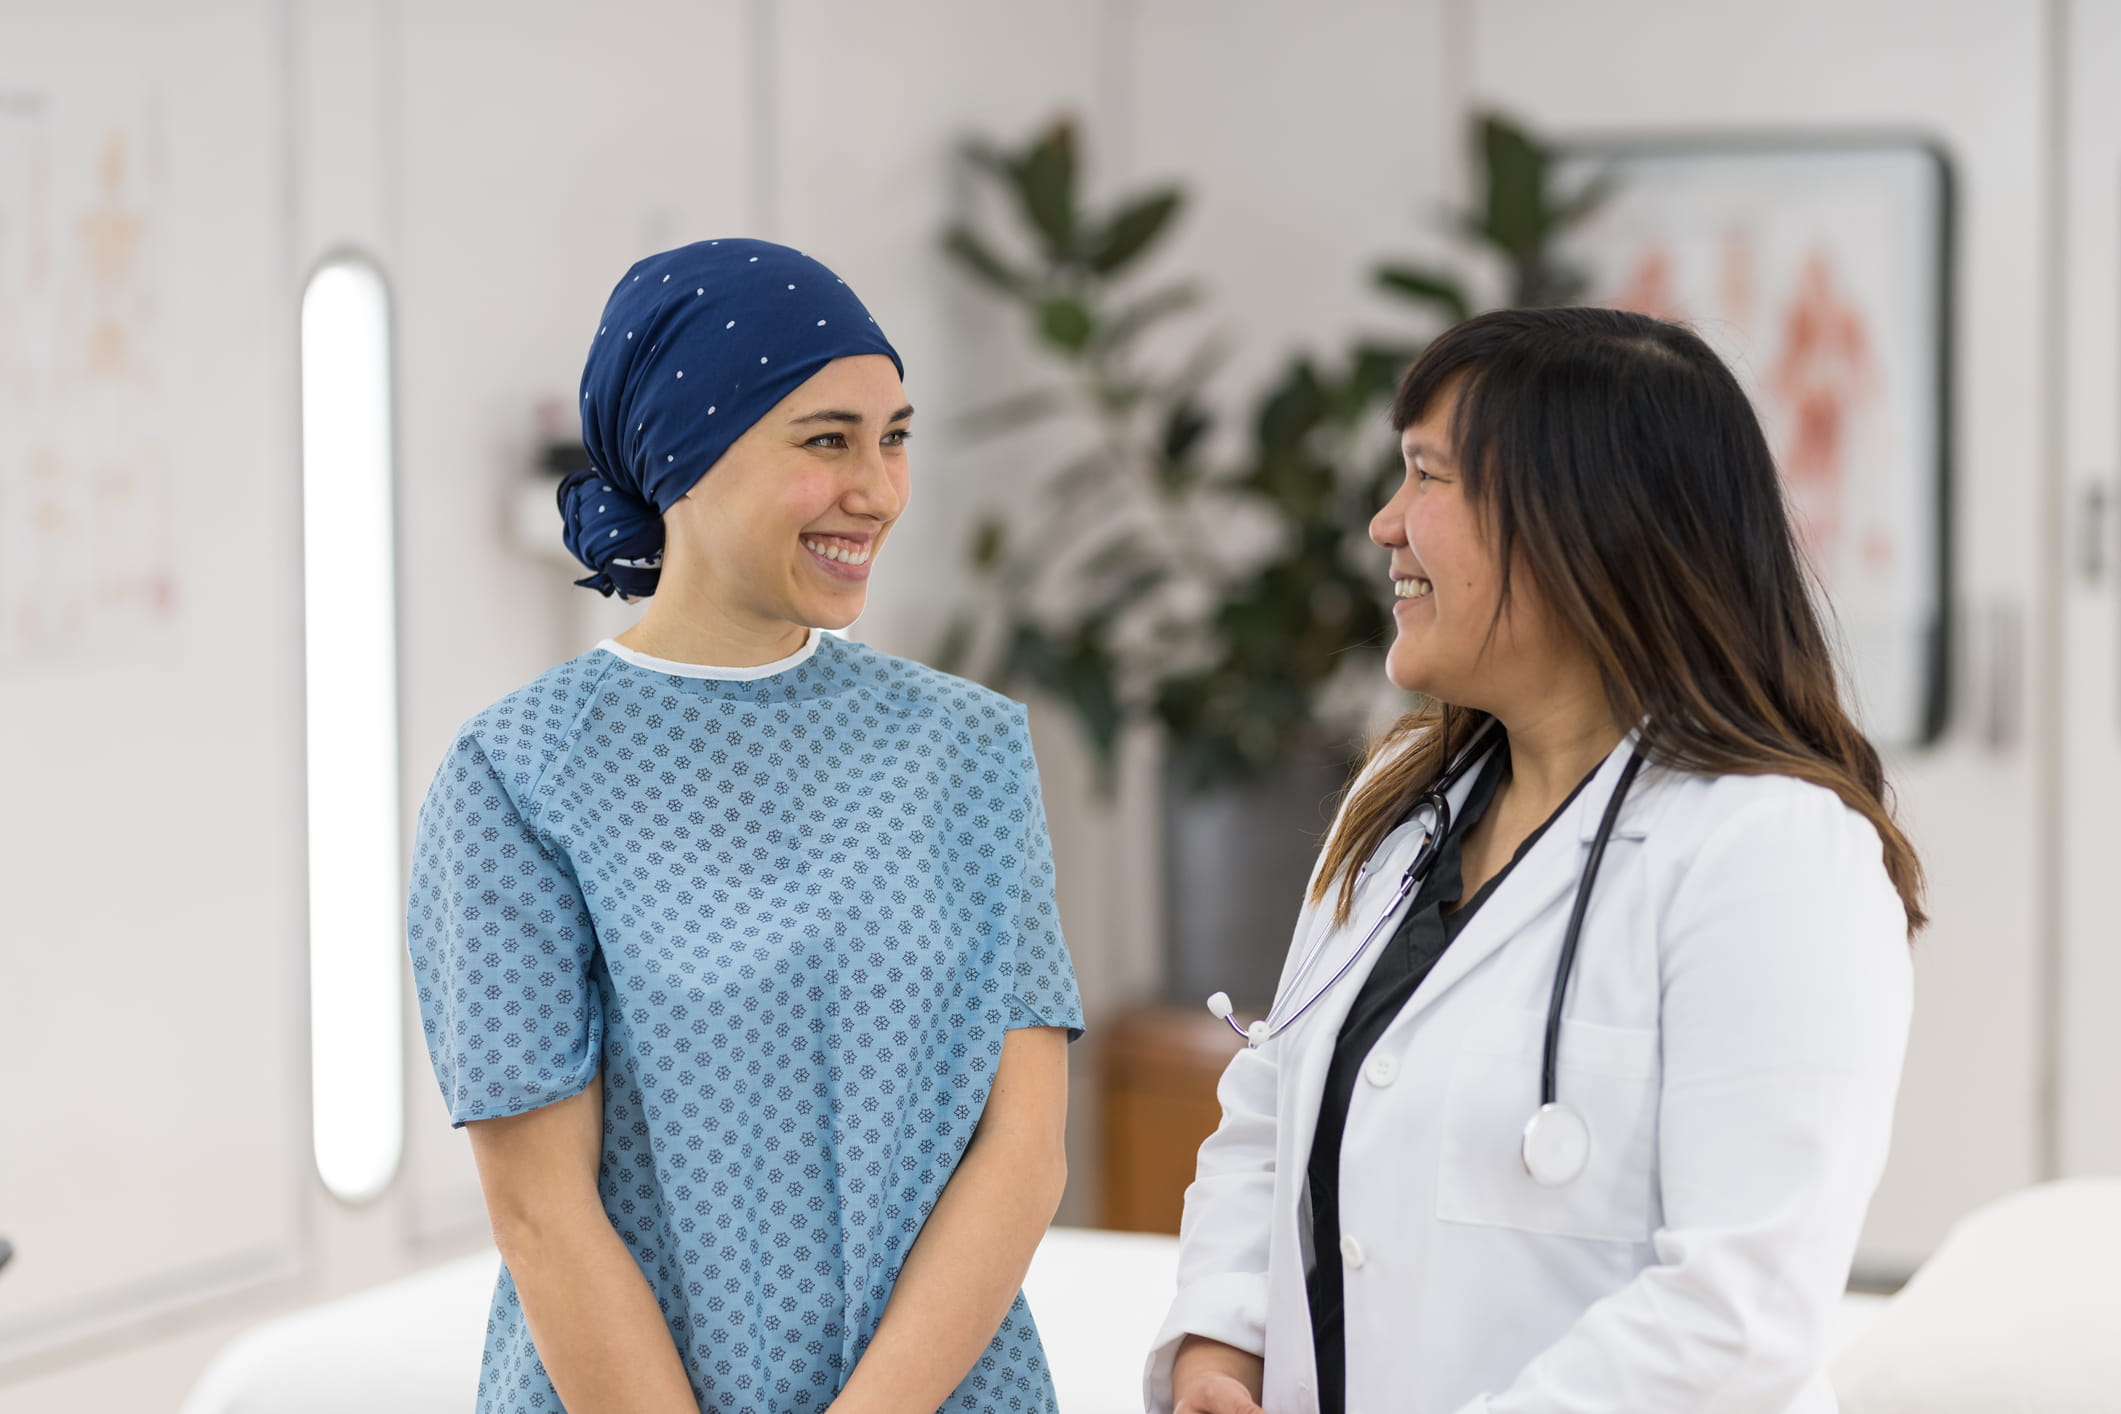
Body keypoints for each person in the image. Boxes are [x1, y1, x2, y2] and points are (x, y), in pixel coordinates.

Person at [1151, 306, 1918, 1414]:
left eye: (1426, 477)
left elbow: (1735, 1313)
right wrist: (1220, 1348)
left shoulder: (1775, 851)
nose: (1384, 524)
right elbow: (1273, 1110)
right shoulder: (1402, 802)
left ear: (1584, 524)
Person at [407, 239, 1083, 1414]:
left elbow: (1022, 1153)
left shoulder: (966, 753)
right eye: (826, 440)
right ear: (684, 450)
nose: (876, 487)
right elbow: (540, 1209)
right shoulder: (520, 776)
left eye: (895, 437)